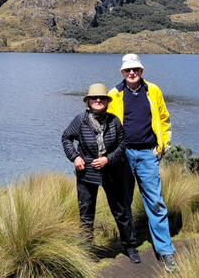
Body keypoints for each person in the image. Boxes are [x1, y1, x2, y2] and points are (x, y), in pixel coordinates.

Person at [107, 54, 178, 272]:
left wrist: (162, 145)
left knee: (155, 202)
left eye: (135, 69)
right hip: (124, 154)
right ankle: (131, 243)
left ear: (141, 71)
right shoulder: (114, 94)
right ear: (122, 72)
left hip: (148, 153)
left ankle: (165, 250)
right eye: (128, 70)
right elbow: (107, 125)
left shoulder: (153, 91)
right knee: (124, 200)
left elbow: (164, 118)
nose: (131, 73)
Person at [61, 83, 141, 264]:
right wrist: (74, 157)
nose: (98, 100)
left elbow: (123, 144)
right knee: (86, 213)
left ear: (107, 101)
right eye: (94, 98)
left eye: (102, 98)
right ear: (88, 101)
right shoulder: (80, 121)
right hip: (86, 173)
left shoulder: (114, 121)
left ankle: (130, 246)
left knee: (120, 211)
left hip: (112, 173)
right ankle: (85, 252)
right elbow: (66, 138)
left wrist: (108, 159)